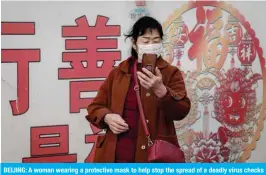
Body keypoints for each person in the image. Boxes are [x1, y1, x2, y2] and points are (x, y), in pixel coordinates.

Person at [86, 16, 191, 163]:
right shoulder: (118, 72)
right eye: (146, 41)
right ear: (134, 43)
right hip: (116, 155)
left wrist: (161, 90)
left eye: (156, 41)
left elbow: (182, 110)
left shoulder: (170, 72)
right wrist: (107, 117)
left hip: (152, 158)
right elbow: (95, 107)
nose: (151, 45)